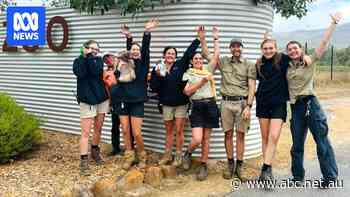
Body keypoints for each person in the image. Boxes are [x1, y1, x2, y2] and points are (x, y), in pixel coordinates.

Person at [286, 13, 341, 188]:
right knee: (296, 145)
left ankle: (330, 177)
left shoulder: (310, 61)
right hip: (295, 108)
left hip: (311, 105)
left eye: (296, 48)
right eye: (290, 49)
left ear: (301, 50)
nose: (293, 51)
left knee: (322, 142)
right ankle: (297, 177)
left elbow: (323, 44)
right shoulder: (286, 67)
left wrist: (333, 23)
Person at [200, 28, 256, 181]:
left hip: (242, 103)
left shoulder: (249, 65)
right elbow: (206, 55)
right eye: (234, 46)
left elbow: (252, 86)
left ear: (242, 48)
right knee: (228, 134)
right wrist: (205, 39)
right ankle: (230, 164)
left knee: (241, 136)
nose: (236, 48)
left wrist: (249, 107)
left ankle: (240, 166)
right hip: (226, 103)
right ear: (230, 48)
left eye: (239, 46)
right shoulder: (223, 61)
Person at [110, 19, 158, 170]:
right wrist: (128, 37)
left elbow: (146, 49)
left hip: (137, 101)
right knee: (125, 130)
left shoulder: (143, 66)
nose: (135, 51)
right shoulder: (126, 64)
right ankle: (129, 156)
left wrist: (147, 32)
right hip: (123, 101)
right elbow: (128, 50)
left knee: (136, 133)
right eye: (133, 49)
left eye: (138, 49)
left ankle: (142, 155)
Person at [150, 28, 201, 167]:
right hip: (166, 104)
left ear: (175, 56)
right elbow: (153, 87)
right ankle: (167, 155)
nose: (170, 55)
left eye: (173, 53)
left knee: (179, 130)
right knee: (169, 131)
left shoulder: (180, 65)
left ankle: (178, 155)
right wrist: (159, 77)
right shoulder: (158, 68)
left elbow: (189, 53)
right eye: (168, 53)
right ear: (164, 55)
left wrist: (198, 39)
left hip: (181, 104)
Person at [181, 26, 220, 181]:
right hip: (196, 106)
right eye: (195, 59)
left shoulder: (207, 69)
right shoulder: (188, 73)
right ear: (192, 61)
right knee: (197, 139)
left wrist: (215, 38)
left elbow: (215, 57)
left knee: (206, 139)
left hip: (210, 105)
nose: (198, 60)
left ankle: (203, 165)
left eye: (200, 59)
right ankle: (187, 154)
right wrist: (202, 82)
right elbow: (187, 92)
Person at [255, 38, 290, 182]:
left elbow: (298, 56)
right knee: (265, 137)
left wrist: (305, 56)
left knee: (273, 136)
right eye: (265, 48)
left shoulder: (283, 59)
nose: (268, 51)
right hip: (262, 103)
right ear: (262, 49)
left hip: (278, 103)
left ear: (275, 48)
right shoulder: (258, 64)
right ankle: (268, 171)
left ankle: (265, 168)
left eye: (271, 48)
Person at [72, 40, 109, 175]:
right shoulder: (78, 61)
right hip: (87, 100)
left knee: (98, 128)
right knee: (85, 132)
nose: (94, 51)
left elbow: (95, 71)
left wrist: (90, 58)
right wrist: (85, 57)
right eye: (92, 48)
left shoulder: (98, 61)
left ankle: (95, 151)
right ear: (85, 48)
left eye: (96, 49)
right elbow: (80, 73)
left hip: (101, 99)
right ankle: (83, 161)